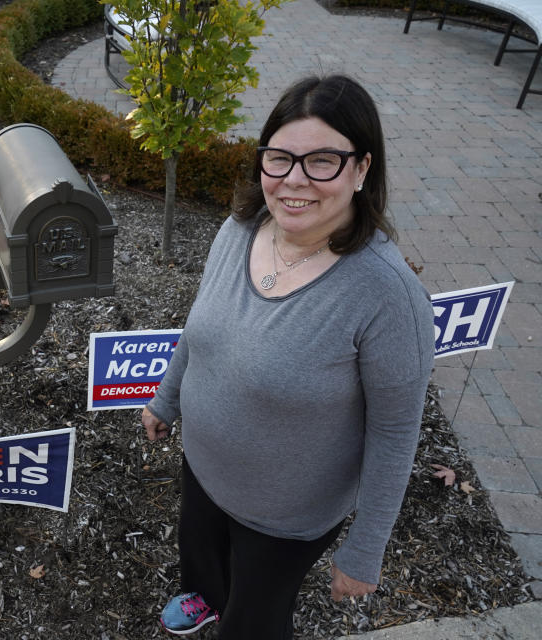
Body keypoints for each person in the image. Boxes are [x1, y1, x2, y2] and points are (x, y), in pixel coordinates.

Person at [141, 74, 435, 639]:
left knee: (256, 615)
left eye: (322, 160)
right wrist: (167, 398)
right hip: (204, 466)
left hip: (284, 516)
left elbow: (396, 432)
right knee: (201, 557)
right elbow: (198, 331)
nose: (294, 180)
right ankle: (204, 597)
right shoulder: (239, 229)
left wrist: (366, 546)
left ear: (362, 168)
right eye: (279, 159)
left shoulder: (387, 296)